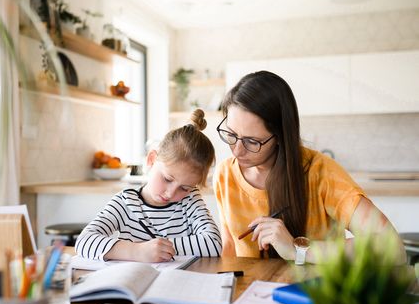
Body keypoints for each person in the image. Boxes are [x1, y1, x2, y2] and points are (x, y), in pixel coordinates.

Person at [213, 70, 406, 263]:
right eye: (231, 134)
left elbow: (392, 247)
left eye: (252, 141)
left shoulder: (322, 172)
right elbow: (229, 251)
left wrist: (297, 249)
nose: (237, 151)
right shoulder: (224, 174)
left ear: (280, 136)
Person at [75, 109, 222, 262]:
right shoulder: (125, 202)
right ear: (151, 160)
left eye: (184, 188)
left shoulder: (190, 200)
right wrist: (137, 251)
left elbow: (214, 243)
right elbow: (84, 242)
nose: (171, 194)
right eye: (167, 179)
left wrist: (159, 248)